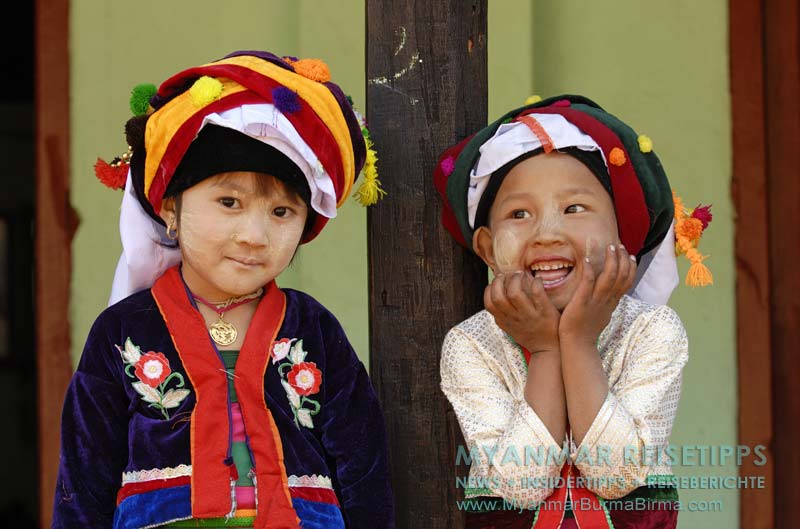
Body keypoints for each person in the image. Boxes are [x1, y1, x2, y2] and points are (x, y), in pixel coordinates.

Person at [52, 50, 394, 529]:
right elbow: (83, 483)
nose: (254, 235)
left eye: (282, 212)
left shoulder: (313, 329)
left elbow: (364, 470)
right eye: (229, 201)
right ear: (170, 209)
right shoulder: (123, 332)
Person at [433, 94, 713, 529]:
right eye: (519, 213)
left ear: (624, 234)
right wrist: (545, 352)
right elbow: (519, 485)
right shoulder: (472, 344)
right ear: (487, 248)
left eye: (574, 209)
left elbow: (615, 473)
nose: (547, 233)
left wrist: (577, 342)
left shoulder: (652, 331)